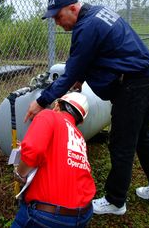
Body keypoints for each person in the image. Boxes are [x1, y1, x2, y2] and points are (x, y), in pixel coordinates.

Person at [24, 0, 149, 216]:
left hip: (131, 86)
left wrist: (42, 101)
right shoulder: (97, 14)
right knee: (143, 136)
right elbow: (103, 52)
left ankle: (115, 202)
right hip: (144, 79)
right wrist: (82, 77)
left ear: (73, 9)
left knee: (121, 144)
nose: (57, 22)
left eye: (58, 16)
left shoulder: (86, 28)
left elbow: (70, 71)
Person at [12, 92, 95, 227]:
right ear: (80, 120)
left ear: (57, 105)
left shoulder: (48, 115)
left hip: (48, 215)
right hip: (84, 213)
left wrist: (19, 174)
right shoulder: (79, 137)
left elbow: (34, 150)